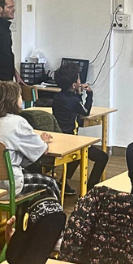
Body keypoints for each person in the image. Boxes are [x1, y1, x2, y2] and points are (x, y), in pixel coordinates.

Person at [0, 81, 61, 200]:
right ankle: (54, 216)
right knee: (50, 183)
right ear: (12, 100)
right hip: (6, 185)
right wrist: (42, 141)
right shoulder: (17, 122)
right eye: (19, 96)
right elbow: (43, 150)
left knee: (24, 169)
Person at [51, 61, 109, 194]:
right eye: (78, 79)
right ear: (73, 85)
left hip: (61, 137)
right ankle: (90, 189)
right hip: (71, 140)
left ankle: (63, 183)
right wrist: (89, 94)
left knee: (77, 156)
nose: (80, 81)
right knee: (102, 157)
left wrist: (77, 93)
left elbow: (75, 106)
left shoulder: (58, 97)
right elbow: (85, 111)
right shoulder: (73, 100)